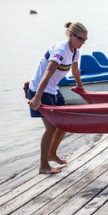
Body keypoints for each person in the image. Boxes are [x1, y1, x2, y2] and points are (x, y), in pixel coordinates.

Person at [28, 22, 87, 174]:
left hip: (53, 89)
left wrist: (81, 87)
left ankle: (52, 154)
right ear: (71, 35)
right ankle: (43, 166)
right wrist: (37, 97)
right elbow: (47, 73)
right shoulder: (61, 49)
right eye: (80, 39)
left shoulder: (75, 51)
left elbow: (75, 71)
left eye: (85, 40)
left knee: (64, 123)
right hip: (40, 89)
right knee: (51, 127)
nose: (83, 43)